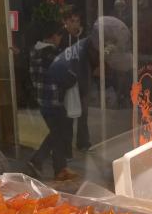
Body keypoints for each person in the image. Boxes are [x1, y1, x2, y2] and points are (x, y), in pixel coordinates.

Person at [49, 16, 132, 153]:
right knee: (69, 115)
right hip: (63, 80)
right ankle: (68, 150)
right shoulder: (84, 53)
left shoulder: (88, 46)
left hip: (69, 78)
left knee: (79, 112)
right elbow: (84, 82)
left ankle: (80, 144)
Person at [28, 19, 76, 181]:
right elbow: (66, 76)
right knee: (58, 133)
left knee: (57, 134)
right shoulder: (50, 54)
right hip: (54, 99)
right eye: (59, 35)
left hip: (42, 99)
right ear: (54, 36)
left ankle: (60, 169)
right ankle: (37, 160)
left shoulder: (35, 51)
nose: (60, 38)